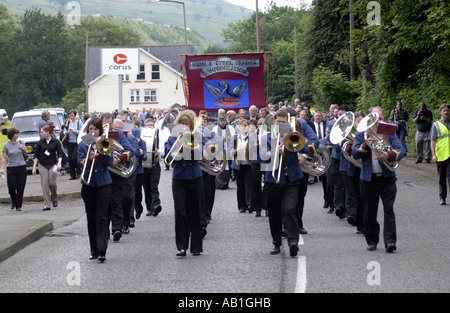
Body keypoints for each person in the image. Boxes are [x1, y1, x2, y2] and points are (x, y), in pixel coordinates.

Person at [260, 109, 318, 257]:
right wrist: (274, 152)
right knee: (274, 213)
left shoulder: (293, 137)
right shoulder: (266, 137)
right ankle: (276, 242)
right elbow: (260, 158)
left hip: (291, 180)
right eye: (278, 122)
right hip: (273, 180)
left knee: (290, 209)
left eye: (283, 123)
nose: (280, 125)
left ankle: (293, 242)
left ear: (288, 123)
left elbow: (306, 148)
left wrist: (292, 138)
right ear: (274, 122)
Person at [352, 106, 405, 253]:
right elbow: (355, 154)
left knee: (389, 209)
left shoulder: (388, 132)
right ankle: (372, 240)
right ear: (369, 119)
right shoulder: (361, 134)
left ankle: (390, 242)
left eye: (381, 118)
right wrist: (366, 144)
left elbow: (401, 150)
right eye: (375, 119)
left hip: (387, 178)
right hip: (368, 179)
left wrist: (389, 155)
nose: (379, 122)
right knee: (369, 211)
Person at [165, 110, 204, 257]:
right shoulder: (171, 139)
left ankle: (196, 247)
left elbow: (200, 156)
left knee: (196, 211)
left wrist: (190, 144)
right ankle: (181, 247)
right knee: (180, 212)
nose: (184, 126)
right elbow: (169, 160)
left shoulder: (197, 137)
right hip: (179, 179)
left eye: (187, 123)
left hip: (195, 177)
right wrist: (178, 148)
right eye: (182, 123)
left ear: (191, 124)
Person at [77, 117, 114, 263]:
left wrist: (103, 152)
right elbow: (79, 161)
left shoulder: (104, 142)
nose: (92, 132)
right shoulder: (82, 145)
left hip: (104, 184)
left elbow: (110, 162)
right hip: (88, 184)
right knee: (91, 218)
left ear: (100, 130)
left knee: (102, 217)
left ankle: (102, 250)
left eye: (95, 129)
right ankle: (93, 249)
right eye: (90, 129)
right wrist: (89, 159)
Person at [32, 124, 63, 211]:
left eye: (42, 132)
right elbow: (36, 155)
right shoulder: (40, 143)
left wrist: (59, 163)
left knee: (52, 183)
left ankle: (54, 198)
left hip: (53, 164)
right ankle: (47, 203)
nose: (41, 134)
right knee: (44, 184)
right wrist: (34, 167)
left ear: (48, 132)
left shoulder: (55, 142)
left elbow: (60, 153)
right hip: (42, 164)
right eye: (40, 132)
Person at [1, 127, 28, 211]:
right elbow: (3, 158)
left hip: (21, 167)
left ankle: (18, 205)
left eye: (18, 133)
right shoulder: (6, 145)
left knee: (20, 187)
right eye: (16, 133)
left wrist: (24, 149)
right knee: (12, 186)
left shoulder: (21, 143)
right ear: (11, 135)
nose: (17, 135)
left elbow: (26, 153)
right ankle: (13, 200)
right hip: (11, 168)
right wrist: (2, 168)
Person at [141, 118, 162, 217]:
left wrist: (159, 152)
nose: (150, 126)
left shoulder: (157, 134)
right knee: (146, 187)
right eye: (148, 125)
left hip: (155, 164)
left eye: (151, 125)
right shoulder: (142, 135)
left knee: (154, 186)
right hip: (144, 165)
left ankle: (156, 204)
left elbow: (162, 147)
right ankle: (149, 207)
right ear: (145, 126)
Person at [231, 119, 253, 213]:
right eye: (242, 126)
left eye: (245, 126)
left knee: (248, 185)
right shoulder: (235, 138)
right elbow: (230, 149)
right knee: (240, 186)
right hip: (238, 164)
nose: (244, 127)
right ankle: (241, 206)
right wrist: (233, 151)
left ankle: (249, 204)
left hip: (248, 164)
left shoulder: (252, 137)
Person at [430, 104, 450, 205]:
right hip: (441, 155)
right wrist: (433, 155)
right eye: (444, 110)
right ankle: (442, 197)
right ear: (441, 112)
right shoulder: (436, 125)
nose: (446, 112)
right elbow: (432, 141)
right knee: (442, 178)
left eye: (447, 110)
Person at [64, 110, 83, 180]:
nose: (71, 117)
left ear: (75, 115)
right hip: (69, 142)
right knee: (70, 159)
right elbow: (64, 130)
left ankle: (78, 171)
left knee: (74, 158)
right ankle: (72, 175)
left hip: (76, 142)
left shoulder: (79, 122)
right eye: (70, 115)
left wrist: (75, 131)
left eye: (72, 115)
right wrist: (66, 132)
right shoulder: (68, 122)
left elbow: (82, 132)